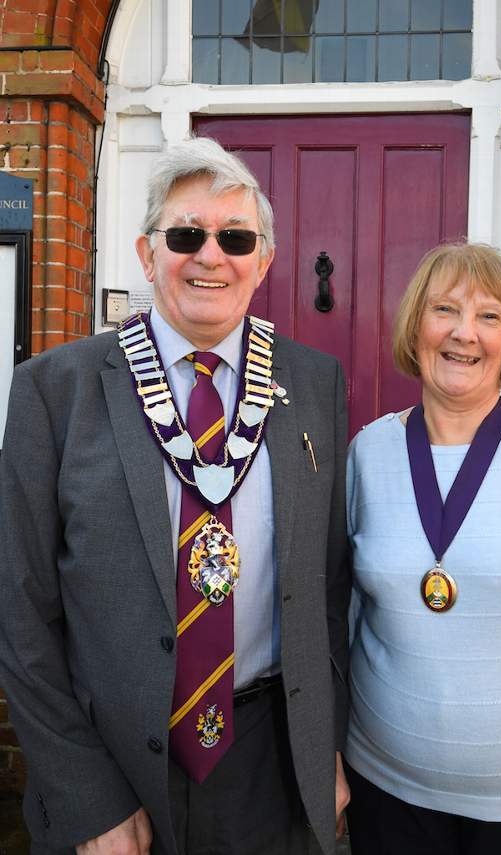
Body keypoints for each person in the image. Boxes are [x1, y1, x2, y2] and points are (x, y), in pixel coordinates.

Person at [0, 136, 351, 855]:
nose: (210, 256)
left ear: (264, 260)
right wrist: (85, 797)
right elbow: (19, 610)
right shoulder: (55, 391)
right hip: (112, 761)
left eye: (236, 238)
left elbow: (332, 587)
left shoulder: (315, 384)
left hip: (274, 762)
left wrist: (331, 745)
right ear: (147, 252)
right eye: (186, 235)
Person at [344, 242, 501, 855]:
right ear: (415, 325)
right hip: (385, 793)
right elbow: (346, 616)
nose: (464, 333)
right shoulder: (368, 452)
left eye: (488, 316)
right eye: (444, 309)